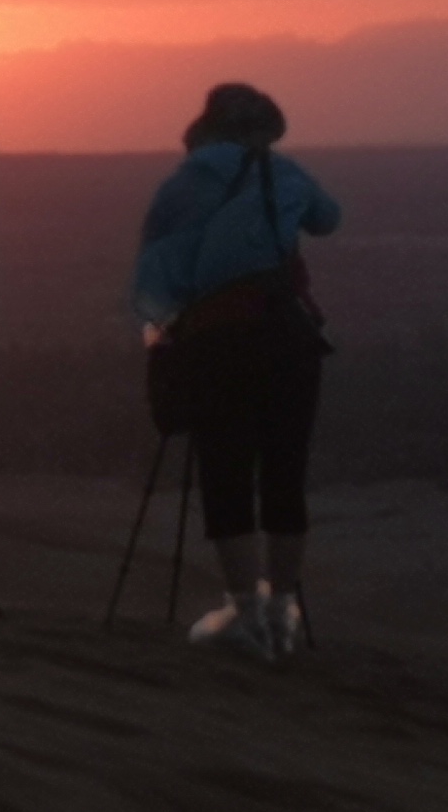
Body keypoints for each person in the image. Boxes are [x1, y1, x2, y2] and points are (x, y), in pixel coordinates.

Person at [132, 82, 342, 664]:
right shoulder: (284, 172)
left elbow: (155, 275)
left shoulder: (183, 185)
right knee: (284, 473)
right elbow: (329, 219)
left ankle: (245, 615)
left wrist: (158, 337)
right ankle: (282, 616)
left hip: (216, 342)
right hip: (291, 340)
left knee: (225, 473)